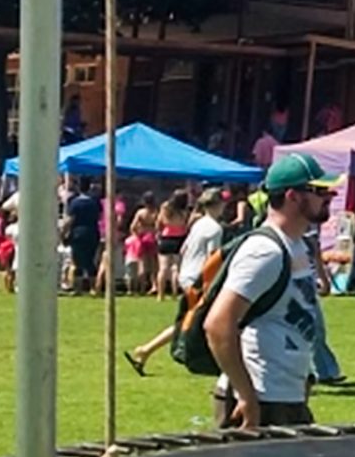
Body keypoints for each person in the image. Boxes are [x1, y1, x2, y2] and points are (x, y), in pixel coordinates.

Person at [207, 155, 332, 431]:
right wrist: (247, 395)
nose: (330, 196)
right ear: (293, 197)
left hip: (286, 396)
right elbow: (218, 325)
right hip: (261, 400)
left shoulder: (297, 245)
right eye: (320, 191)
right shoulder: (264, 251)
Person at [125, 185, 233, 377]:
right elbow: (212, 258)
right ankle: (219, 363)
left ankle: (146, 351)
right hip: (198, 279)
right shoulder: (215, 229)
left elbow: (184, 249)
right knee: (206, 321)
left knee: (191, 320)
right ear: (218, 205)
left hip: (187, 274)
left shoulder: (198, 224)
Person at [63, 179, 103, 294]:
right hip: (92, 232)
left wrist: (63, 233)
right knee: (90, 260)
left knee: (77, 261)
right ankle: (93, 287)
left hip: (78, 233)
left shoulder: (75, 202)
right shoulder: (94, 202)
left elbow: (70, 220)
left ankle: (77, 288)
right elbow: (99, 217)